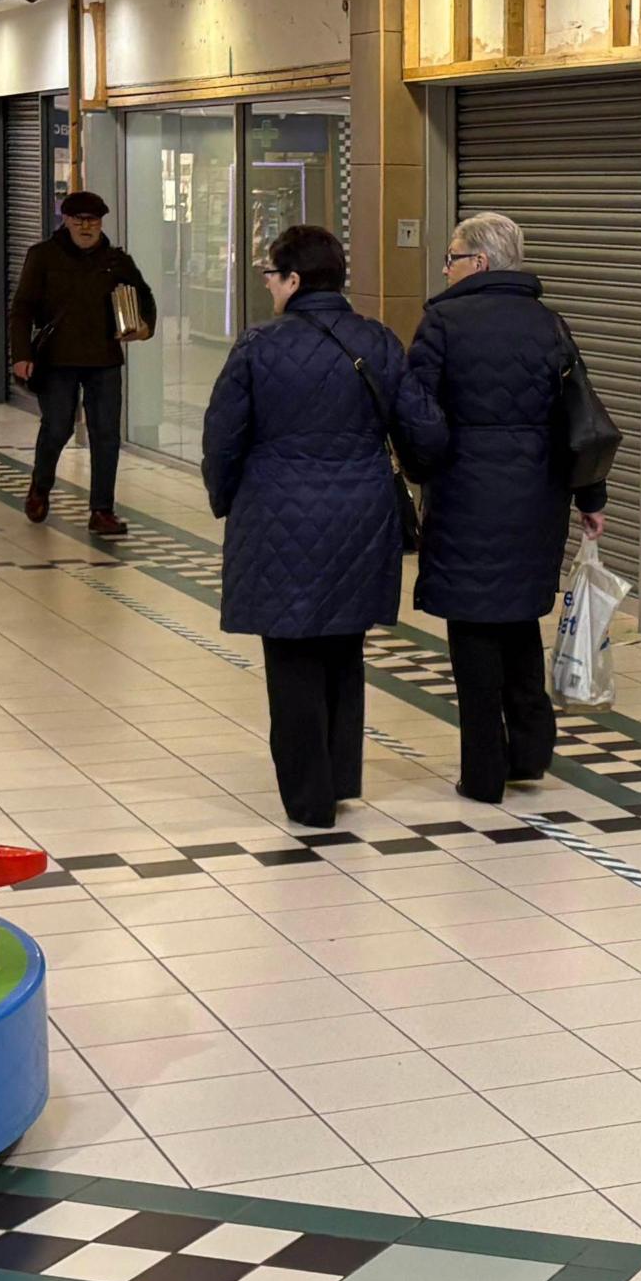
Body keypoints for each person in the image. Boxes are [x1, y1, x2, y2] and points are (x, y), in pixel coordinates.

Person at [204, 227, 444, 830]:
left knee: (290, 654)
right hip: (361, 515)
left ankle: (309, 799)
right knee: (343, 644)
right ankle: (340, 779)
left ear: (292, 280)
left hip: (277, 513)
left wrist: (228, 498)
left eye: (270, 275)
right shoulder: (378, 341)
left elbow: (222, 439)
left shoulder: (258, 345)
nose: (267, 285)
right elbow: (424, 432)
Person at [407, 211, 608, 804]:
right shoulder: (549, 325)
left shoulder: (441, 322)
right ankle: (529, 749)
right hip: (534, 500)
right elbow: (581, 417)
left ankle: (484, 772)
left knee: (472, 631)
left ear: (480, 263)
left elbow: (418, 412)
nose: (444, 267)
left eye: (451, 256)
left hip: (465, 497)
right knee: (519, 619)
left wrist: (427, 466)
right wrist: (589, 498)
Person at [10, 190, 156, 539]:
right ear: (66, 220)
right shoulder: (43, 256)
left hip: (104, 359)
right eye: (79, 220)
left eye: (93, 220)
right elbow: (22, 307)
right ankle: (40, 487)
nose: (86, 226)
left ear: (101, 222)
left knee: (106, 435)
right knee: (57, 427)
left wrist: (144, 327)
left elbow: (144, 295)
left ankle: (102, 510)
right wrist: (21, 356)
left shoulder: (116, 260)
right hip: (57, 360)